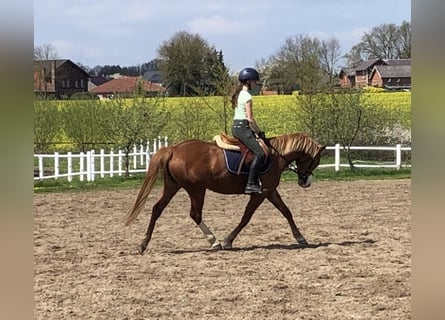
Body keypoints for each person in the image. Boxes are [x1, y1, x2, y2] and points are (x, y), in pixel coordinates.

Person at [231, 67, 265, 194]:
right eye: (254, 82)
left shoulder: (239, 94)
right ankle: (250, 183)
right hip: (243, 128)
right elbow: (250, 119)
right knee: (260, 153)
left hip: (236, 127)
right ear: (248, 82)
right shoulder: (247, 96)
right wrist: (259, 131)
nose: (255, 84)